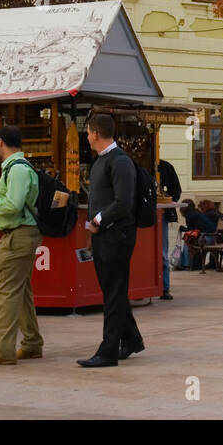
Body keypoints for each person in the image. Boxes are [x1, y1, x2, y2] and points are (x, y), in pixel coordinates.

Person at [79, 111, 144, 367]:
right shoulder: (101, 161)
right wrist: (91, 227)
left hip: (117, 235)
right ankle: (132, 340)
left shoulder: (120, 161)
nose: (86, 136)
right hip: (102, 235)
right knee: (111, 291)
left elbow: (123, 202)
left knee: (114, 291)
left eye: (87, 132)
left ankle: (108, 351)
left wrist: (98, 221)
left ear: (95, 133)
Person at [0, 125, 43, 365]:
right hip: (23, 234)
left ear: (0, 142)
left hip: (17, 236)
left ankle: (3, 351)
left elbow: (13, 205)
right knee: (22, 291)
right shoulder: (22, 168)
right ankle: (32, 343)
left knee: (5, 292)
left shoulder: (16, 170)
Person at [157, 159, 182, 301]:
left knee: (163, 252)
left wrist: (166, 201)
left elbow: (176, 191)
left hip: (161, 215)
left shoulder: (166, 167)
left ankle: (164, 287)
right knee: (162, 251)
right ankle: (163, 287)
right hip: (158, 215)